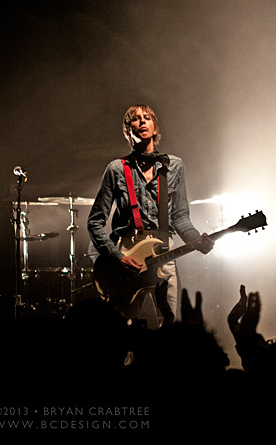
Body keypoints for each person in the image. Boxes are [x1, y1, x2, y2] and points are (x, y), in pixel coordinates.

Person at [87, 104, 213, 325]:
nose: (142, 121)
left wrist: (196, 240)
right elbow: (95, 222)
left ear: (155, 128)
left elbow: (180, 217)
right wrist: (118, 257)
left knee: (171, 325)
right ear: (128, 131)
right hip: (126, 253)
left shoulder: (174, 166)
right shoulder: (116, 169)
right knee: (121, 330)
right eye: (135, 119)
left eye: (147, 118)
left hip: (164, 250)